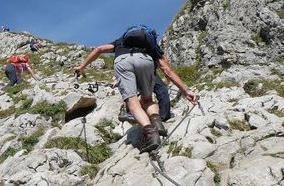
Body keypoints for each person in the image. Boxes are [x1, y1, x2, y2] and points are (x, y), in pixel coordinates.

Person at [74, 25, 198, 153]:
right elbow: (167, 69)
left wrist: (81, 67)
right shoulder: (151, 44)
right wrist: (186, 91)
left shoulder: (121, 41)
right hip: (145, 60)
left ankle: (151, 134)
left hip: (123, 61)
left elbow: (99, 49)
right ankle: (157, 122)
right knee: (148, 100)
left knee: (132, 101)